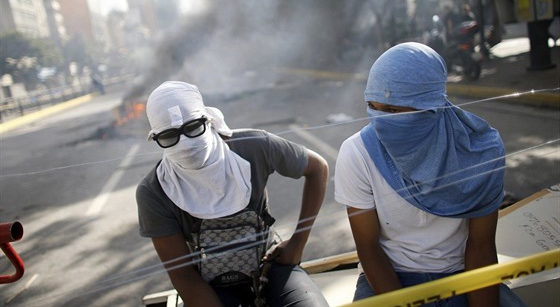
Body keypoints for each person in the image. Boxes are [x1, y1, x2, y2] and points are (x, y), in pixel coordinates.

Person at [334, 42, 527, 306]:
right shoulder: (357, 153)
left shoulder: (481, 151)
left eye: (392, 110)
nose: (380, 120)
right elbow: (368, 249)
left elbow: (481, 246)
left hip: (462, 274)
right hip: (390, 277)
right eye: (372, 106)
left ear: (431, 105)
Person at [136, 81, 329, 307]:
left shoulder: (254, 146)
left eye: (193, 128)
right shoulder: (154, 191)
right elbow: (184, 276)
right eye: (170, 136)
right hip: (208, 284)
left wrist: (298, 241)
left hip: (269, 265)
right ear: (156, 139)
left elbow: (317, 168)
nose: (186, 144)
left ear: (207, 121)